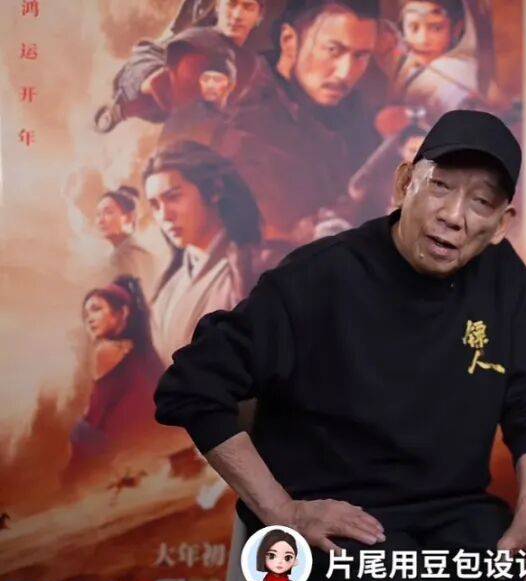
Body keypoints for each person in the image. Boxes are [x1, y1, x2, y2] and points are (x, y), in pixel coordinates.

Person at [154, 110, 526, 581]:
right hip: (340, 514)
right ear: (403, 185)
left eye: (481, 201)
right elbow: (193, 387)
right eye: (439, 187)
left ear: (501, 224)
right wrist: (283, 511)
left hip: (454, 514)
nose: (453, 216)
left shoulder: (503, 276)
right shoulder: (321, 275)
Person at [212, 0, 383, 242]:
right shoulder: (243, 118)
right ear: (289, 41)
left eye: (361, 56)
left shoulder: (355, 113)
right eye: (333, 50)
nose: (345, 72)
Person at [144, 141, 262, 364]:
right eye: (155, 205)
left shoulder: (254, 268)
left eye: (173, 197)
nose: (164, 216)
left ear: (214, 190)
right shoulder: (166, 292)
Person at [94, 0, 267, 132]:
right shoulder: (203, 43)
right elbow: (157, 83)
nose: (237, 15)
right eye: (232, 4)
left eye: (248, 7)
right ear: (218, 6)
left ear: (259, 15)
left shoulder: (248, 62)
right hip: (146, 71)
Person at [66, 276, 167, 479]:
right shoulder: (145, 352)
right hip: (151, 450)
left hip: (122, 459)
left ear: (123, 311)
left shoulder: (107, 351)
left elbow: (95, 415)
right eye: (86, 314)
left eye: (96, 309)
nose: (89, 319)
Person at [384, 0, 495, 121]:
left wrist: (409, 115)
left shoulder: (457, 70)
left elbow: (457, 109)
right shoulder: (407, 64)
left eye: (436, 28)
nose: (423, 40)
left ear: (457, 29)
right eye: (413, 27)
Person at [94, 186, 158, 290]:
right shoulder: (126, 251)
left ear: (128, 217)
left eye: (108, 212)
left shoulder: (126, 255)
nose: (100, 220)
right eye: (98, 214)